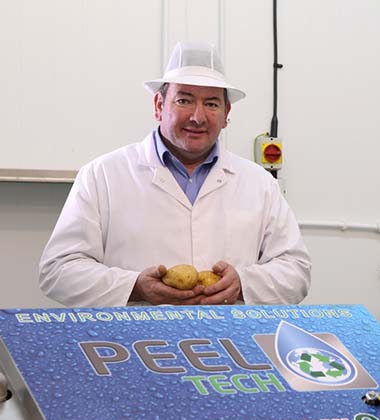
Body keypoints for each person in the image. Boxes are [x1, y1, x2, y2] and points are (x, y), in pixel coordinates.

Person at [39, 41, 311, 308]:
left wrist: (243, 283)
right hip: (135, 344)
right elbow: (59, 270)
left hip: (228, 342)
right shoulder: (103, 175)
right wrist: (134, 287)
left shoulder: (259, 183)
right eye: (184, 100)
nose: (197, 116)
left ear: (227, 114)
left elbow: (296, 271)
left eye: (212, 104)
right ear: (159, 105)